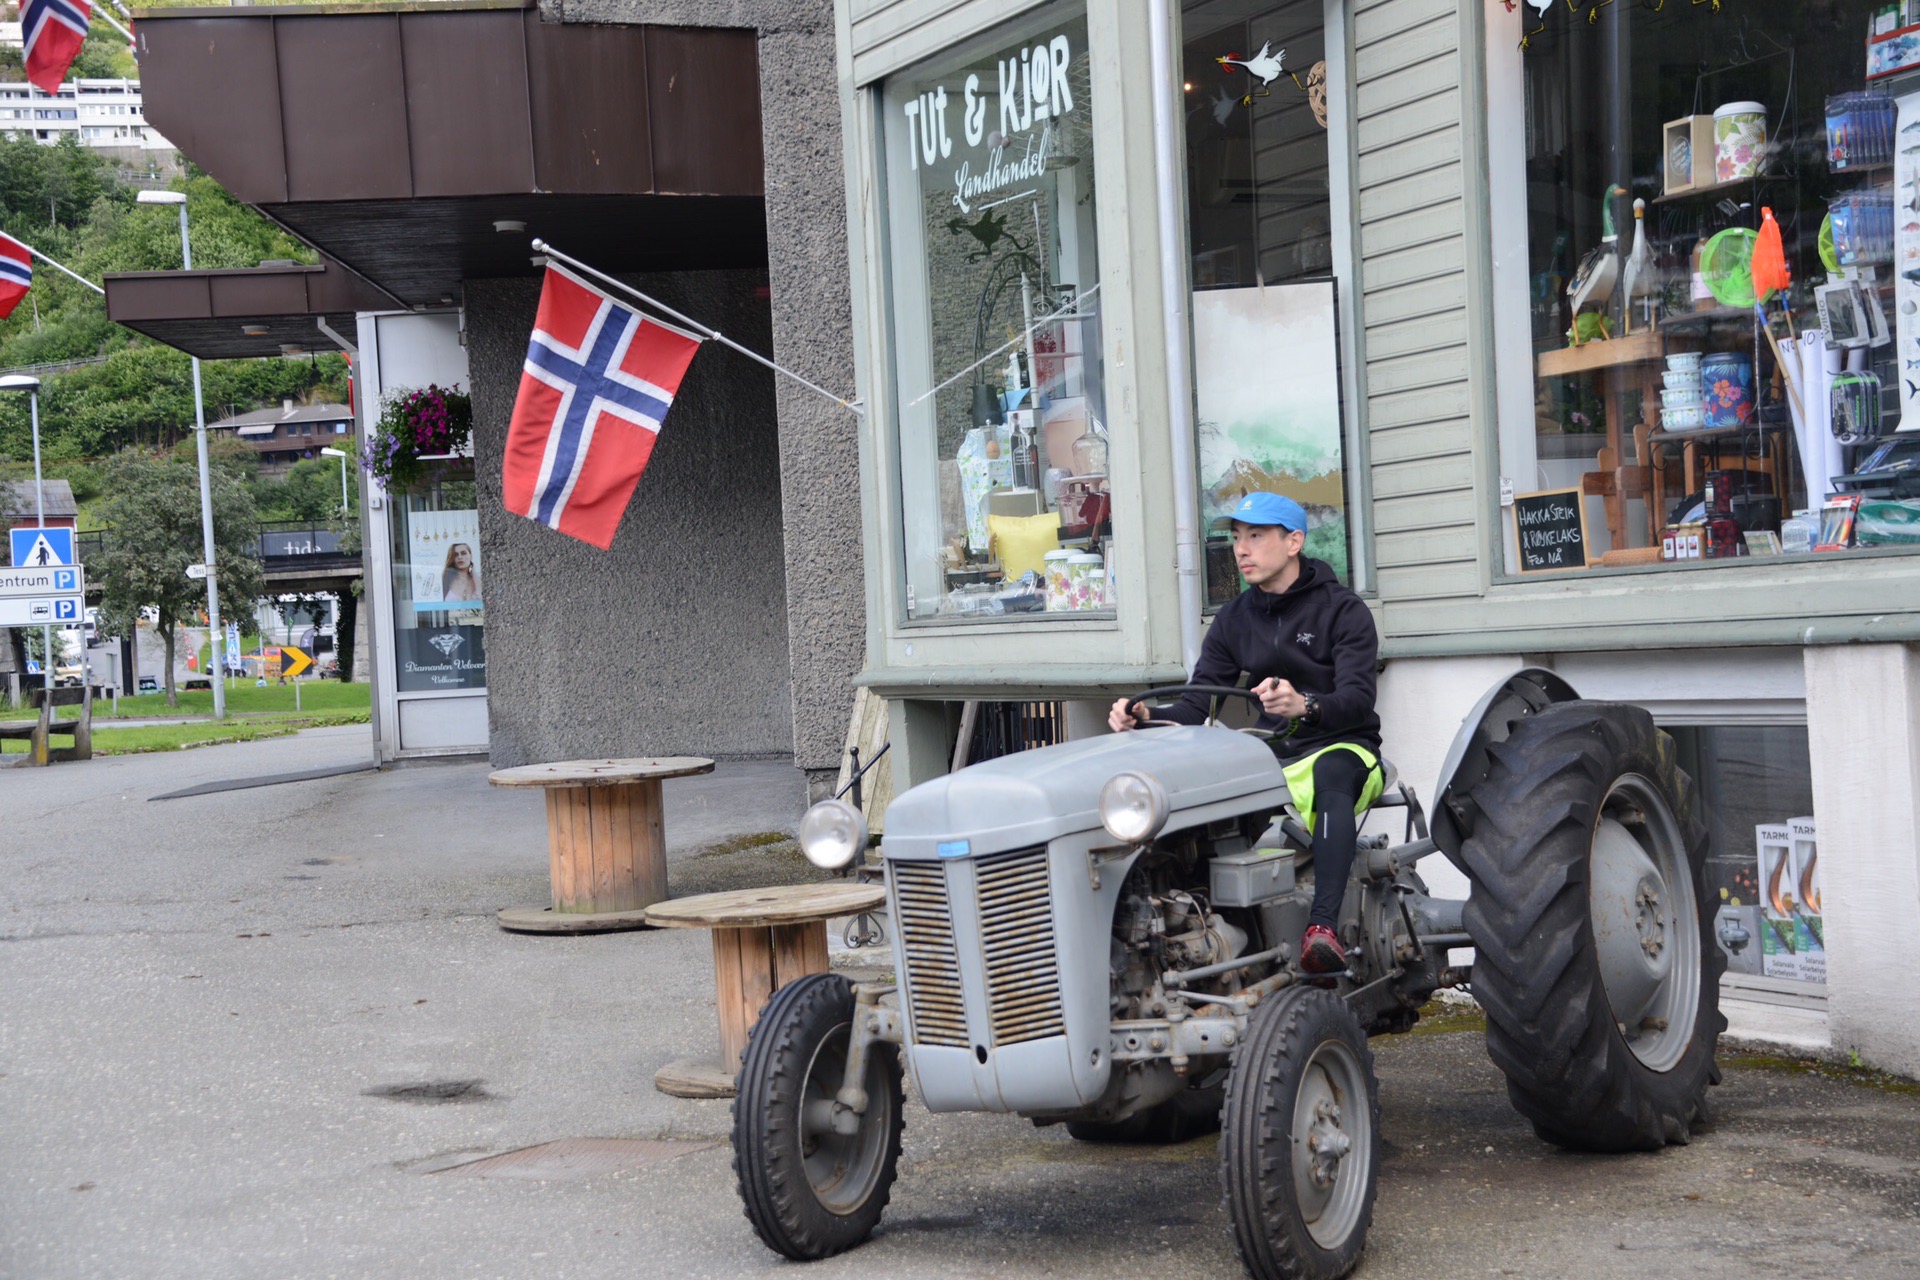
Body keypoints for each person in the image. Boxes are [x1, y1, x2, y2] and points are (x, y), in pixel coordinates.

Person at [1107, 491, 1382, 975]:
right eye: (1236, 538)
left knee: (1332, 776)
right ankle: (1196, 934)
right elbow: (1194, 706)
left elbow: (1358, 701)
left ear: (1293, 541)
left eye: (1255, 536)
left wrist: (1305, 705)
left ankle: (1322, 931)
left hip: (1341, 744)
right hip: (1268, 755)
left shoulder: (1343, 610)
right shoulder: (1234, 619)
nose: (1241, 549)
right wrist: (1145, 717)